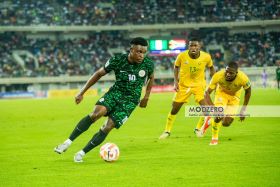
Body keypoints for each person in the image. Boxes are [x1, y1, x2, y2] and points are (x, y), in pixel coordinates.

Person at [54, 37, 154, 162]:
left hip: (130, 101)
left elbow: (151, 78)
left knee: (108, 126)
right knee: (96, 114)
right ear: (131, 49)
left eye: (144, 52)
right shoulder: (117, 60)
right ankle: (67, 142)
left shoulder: (148, 64)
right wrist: (81, 92)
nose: (141, 55)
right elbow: (98, 74)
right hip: (115, 93)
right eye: (139, 51)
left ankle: (81, 153)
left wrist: (146, 96)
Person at [159, 36, 215, 139]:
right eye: (191, 45)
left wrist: (213, 81)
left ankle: (199, 129)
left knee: (205, 108)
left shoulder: (206, 57)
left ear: (199, 46)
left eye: (195, 45)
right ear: (188, 47)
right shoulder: (182, 56)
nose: (193, 48)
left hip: (199, 85)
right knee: (175, 108)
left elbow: (211, 68)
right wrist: (176, 81)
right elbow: (176, 67)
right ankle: (167, 131)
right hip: (184, 85)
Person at [200, 61, 251, 145]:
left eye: (231, 73)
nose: (228, 74)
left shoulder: (243, 78)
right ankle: (214, 138)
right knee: (219, 115)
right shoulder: (218, 75)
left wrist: (243, 110)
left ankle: (209, 120)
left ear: (236, 73)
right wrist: (213, 108)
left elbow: (248, 92)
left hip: (234, 97)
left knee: (226, 123)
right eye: (227, 71)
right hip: (221, 94)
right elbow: (206, 93)